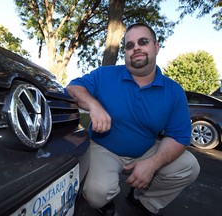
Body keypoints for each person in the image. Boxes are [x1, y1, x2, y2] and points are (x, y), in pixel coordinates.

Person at [66, 23, 200, 216]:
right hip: (103, 149)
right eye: (129, 45)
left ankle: (143, 200)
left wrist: (152, 164)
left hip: (146, 150)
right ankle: (104, 202)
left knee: (189, 166)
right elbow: (73, 88)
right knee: (97, 194)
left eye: (143, 42)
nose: (136, 47)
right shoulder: (105, 74)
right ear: (126, 53)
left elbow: (179, 137)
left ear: (156, 46)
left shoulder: (174, 91)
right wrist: (94, 106)